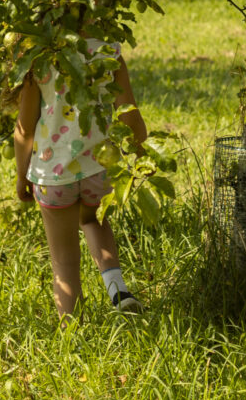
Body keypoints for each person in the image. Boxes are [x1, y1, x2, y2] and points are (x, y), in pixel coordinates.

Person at [14, 37, 147, 321]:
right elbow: (130, 116)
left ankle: (73, 331)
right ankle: (119, 291)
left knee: (64, 262)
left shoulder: (38, 59)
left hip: (53, 175)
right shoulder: (108, 52)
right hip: (100, 168)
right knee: (93, 220)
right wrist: (141, 153)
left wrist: (21, 176)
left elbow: (24, 130)